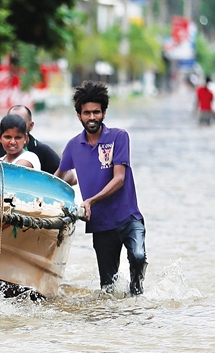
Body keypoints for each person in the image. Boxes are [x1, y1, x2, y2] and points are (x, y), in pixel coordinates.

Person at [54, 81, 147, 296]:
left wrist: (90, 201)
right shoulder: (73, 146)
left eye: (96, 112)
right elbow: (60, 176)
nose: (92, 117)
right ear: (79, 115)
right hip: (101, 225)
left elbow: (119, 179)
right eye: (87, 113)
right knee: (107, 289)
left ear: (104, 113)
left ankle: (137, 297)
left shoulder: (119, 137)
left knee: (138, 256)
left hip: (128, 217)